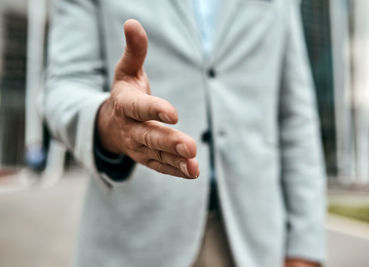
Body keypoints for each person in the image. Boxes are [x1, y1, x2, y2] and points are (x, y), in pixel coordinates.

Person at [45, 0, 326, 266]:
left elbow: (295, 117)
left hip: (255, 245)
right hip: (134, 240)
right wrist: (109, 121)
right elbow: (64, 86)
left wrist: (305, 246)